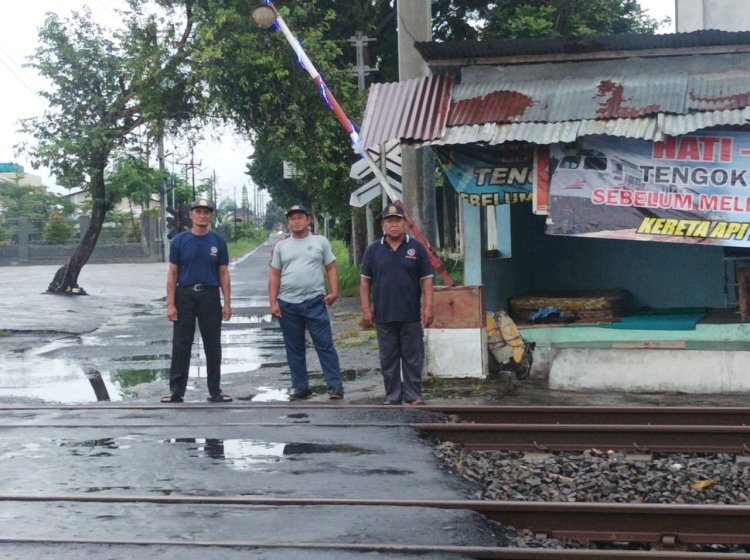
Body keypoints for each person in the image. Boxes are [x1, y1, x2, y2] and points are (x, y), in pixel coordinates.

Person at [268, 204, 345, 401]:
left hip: (314, 302)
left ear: (308, 220)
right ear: (288, 222)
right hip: (287, 303)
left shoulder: (320, 242)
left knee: (324, 344)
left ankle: (335, 386)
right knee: (294, 348)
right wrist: (273, 301)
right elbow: (274, 275)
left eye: (299, 217)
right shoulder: (281, 246)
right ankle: (300, 387)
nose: (296, 221)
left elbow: (331, 268)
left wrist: (334, 291)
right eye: (292, 218)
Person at [360, 203, 434, 405]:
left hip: (410, 313)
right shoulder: (373, 250)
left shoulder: (416, 247)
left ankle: (413, 395)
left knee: (413, 357)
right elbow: (365, 281)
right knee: (389, 359)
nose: (394, 225)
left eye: (397, 220)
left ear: (405, 223)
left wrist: (428, 308)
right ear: (383, 224)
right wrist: (366, 309)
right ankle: (393, 396)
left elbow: (427, 279)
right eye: (389, 221)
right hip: (383, 315)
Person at [162, 198, 232, 403]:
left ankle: (215, 391)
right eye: (198, 211)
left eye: (206, 212)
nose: (202, 216)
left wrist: (227, 303)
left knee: (213, 344)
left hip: (209, 296)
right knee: (181, 344)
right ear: (191, 214)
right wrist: (171, 303)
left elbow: (224, 273)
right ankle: (176, 391)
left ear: (211, 216)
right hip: (184, 295)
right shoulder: (180, 241)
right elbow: (172, 273)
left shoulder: (218, 242)